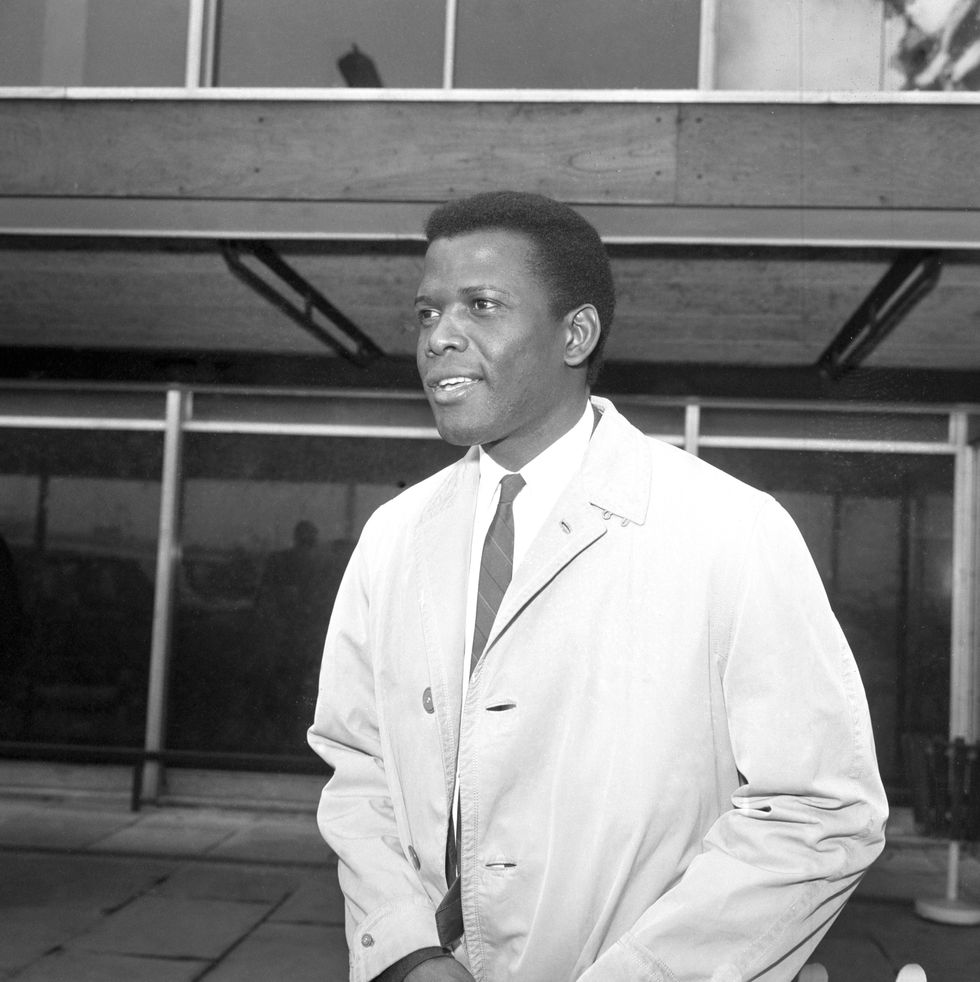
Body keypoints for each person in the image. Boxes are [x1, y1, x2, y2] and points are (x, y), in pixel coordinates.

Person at [309, 191, 888, 982]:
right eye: (426, 313)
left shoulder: (730, 528)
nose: (439, 337)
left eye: (480, 305)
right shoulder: (393, 538)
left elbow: (820, 812)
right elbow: (361, 767)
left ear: (575, 333)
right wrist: (408, 953)